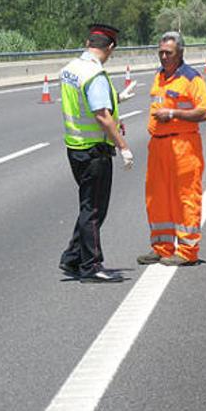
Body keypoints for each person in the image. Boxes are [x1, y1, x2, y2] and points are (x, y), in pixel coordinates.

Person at [58, 23, 135, 283]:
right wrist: (123, 146)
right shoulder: (95, 74)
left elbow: (85, 102)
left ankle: (72, 257)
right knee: (94, 210)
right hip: (94, 151)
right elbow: (101, 116)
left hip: (75, 146)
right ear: (110, 47)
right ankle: (90, 266)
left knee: (87, 207)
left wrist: (118, 99)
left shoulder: (71, 69)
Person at [136, 32, 206, 267]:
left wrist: (173, 114)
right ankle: (162, 247)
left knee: (185, 198)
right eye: (161, 53)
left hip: (183, 146)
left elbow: (204, 112)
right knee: (157, 198)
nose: (164, 57)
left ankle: (188, 251)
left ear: (180, 53)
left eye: (168, 53)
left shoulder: (191, 78)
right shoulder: (159, 77)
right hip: (158, 145)